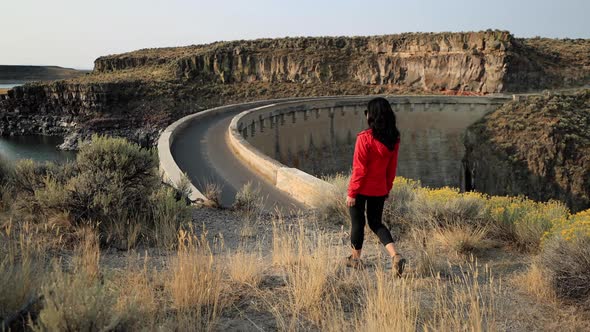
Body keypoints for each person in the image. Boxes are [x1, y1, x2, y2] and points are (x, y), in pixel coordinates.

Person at [346, 97, 406, 276]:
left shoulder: (364, 138)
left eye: (367, 112)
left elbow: (359, 169)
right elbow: (391, 168)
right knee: (376, 223)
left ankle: (355, 259)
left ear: (372, 116)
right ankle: (395, 255)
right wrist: (387, 188)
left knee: (357, 223)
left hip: (361, 189)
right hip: (379, 189)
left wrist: (352, 193)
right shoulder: (393, 139)